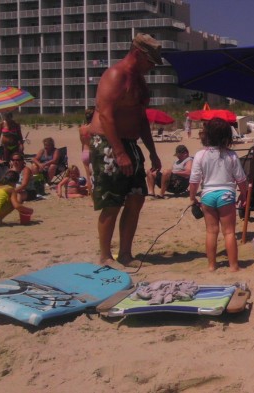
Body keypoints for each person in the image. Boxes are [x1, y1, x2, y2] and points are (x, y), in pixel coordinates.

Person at [89, 32, 162, 266]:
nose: (152, 67)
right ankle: (104, 256)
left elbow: (141, 119)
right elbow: (106, 115)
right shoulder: (115, 75)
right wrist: (119, 153)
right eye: (150, 61)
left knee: (136, 197)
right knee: (112, 201)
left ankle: (126, 253)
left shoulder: (140, 80)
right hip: (109, 143)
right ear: (138, 54)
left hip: (130, 143)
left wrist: (152, 151)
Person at [189, 117, 248, 272]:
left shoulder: (200, 155)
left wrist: (192, 197)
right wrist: (244, 194)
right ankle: (234, 266)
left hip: (207, 195)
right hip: (226, 195)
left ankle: (211, 265)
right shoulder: (231, 155)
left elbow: (194, 181)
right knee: (229, 232)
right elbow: (241, 179)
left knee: (211, 231)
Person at [78, 108, 95, 194]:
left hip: (84, 152)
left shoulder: (81, 128)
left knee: (88, 176)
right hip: (92, 152)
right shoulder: (93, 127)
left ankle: (90, 195)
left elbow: (82, 142)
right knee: (95, 175)